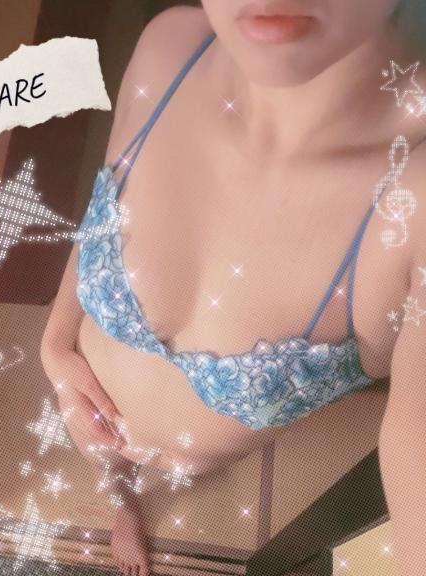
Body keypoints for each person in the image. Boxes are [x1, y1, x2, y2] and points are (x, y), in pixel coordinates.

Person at [42, 1, 426, 575]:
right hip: (84, 401)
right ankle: (124, 506)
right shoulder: (168, 48)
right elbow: (103, 210)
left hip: (191, 459)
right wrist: (55, 346)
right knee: (111, 471)